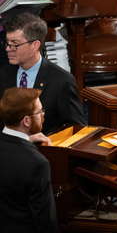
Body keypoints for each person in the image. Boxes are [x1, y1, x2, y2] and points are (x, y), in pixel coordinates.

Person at [0, 12, 84, 135]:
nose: (8, 49)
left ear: (35, 46)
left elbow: (74, 129)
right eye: (7, 43)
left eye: (15, 44)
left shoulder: (62, 81)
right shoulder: (3, 74)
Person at [0, 87, 59, 233]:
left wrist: (26, 140)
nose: (43, 114)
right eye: (39, 112)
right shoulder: (37, 163)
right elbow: (45, 220)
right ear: (26, 120)